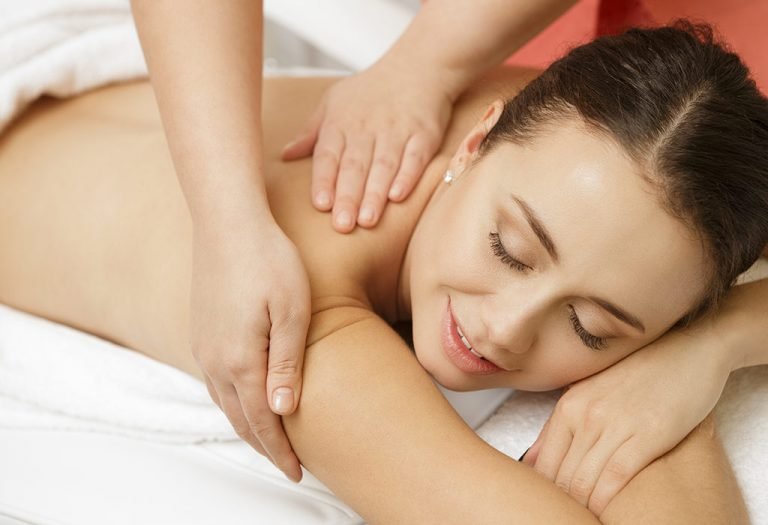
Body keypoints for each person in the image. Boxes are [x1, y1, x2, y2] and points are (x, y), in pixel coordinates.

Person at [0, 23, 765, 522]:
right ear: (476, 141)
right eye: (509, 249)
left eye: (590, 327)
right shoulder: (299, 318)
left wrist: (708, 345)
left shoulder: (601, 139)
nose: (503, 326)